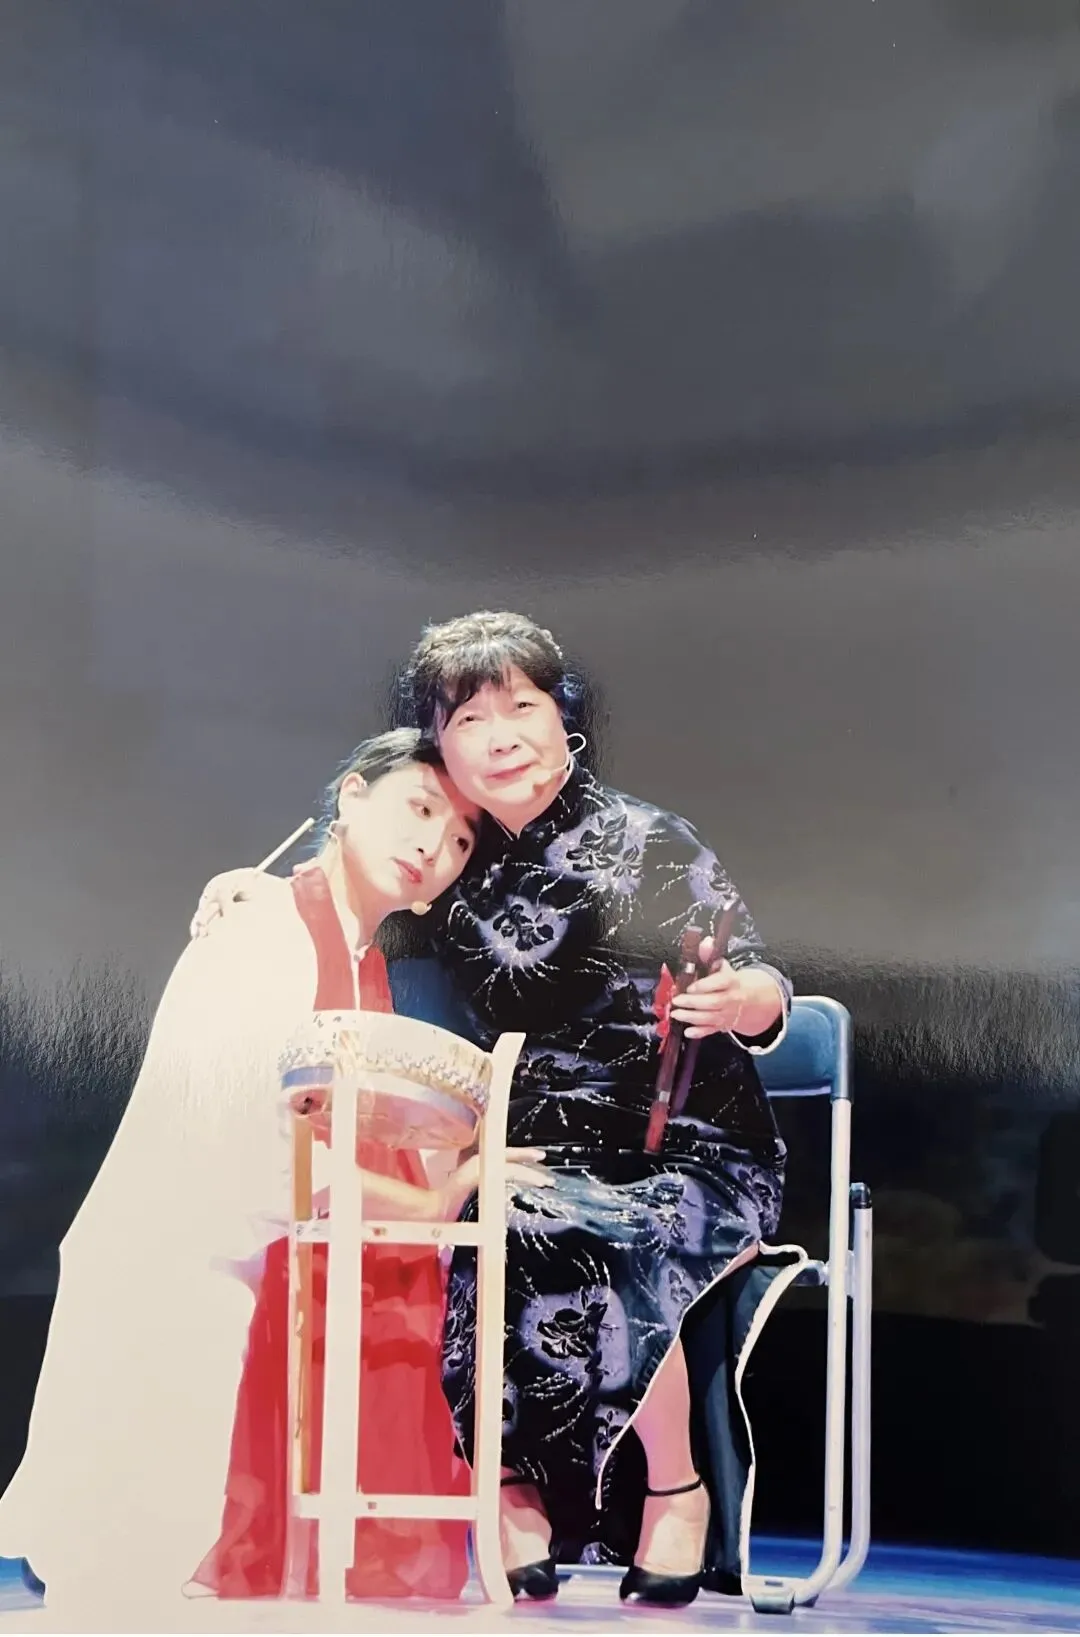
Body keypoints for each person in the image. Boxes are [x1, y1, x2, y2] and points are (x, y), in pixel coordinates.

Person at [193, 612, 808, 1609]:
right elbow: (343, 859)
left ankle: (673, 1484)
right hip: (531, 1144)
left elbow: (761, 973)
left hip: (688, 1146)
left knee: (589, 1221)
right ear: (440, 743)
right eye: (470, 718)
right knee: (505, 1207)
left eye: (522, 706)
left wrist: (748, 999)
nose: (501, 735)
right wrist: (248, 887)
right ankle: (513, 1490)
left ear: (566, 719)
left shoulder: (649, 838)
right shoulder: (454, 848)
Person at [0, 729, 547, 1617]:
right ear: (351, 796)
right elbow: (248, 1135)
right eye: (419, 808)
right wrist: (427, 1198)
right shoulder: (265, 926)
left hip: (237, 1263)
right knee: (129, 1571)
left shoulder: (363, 963)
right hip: (174, 1267)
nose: (434, 847)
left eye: (458, 840)